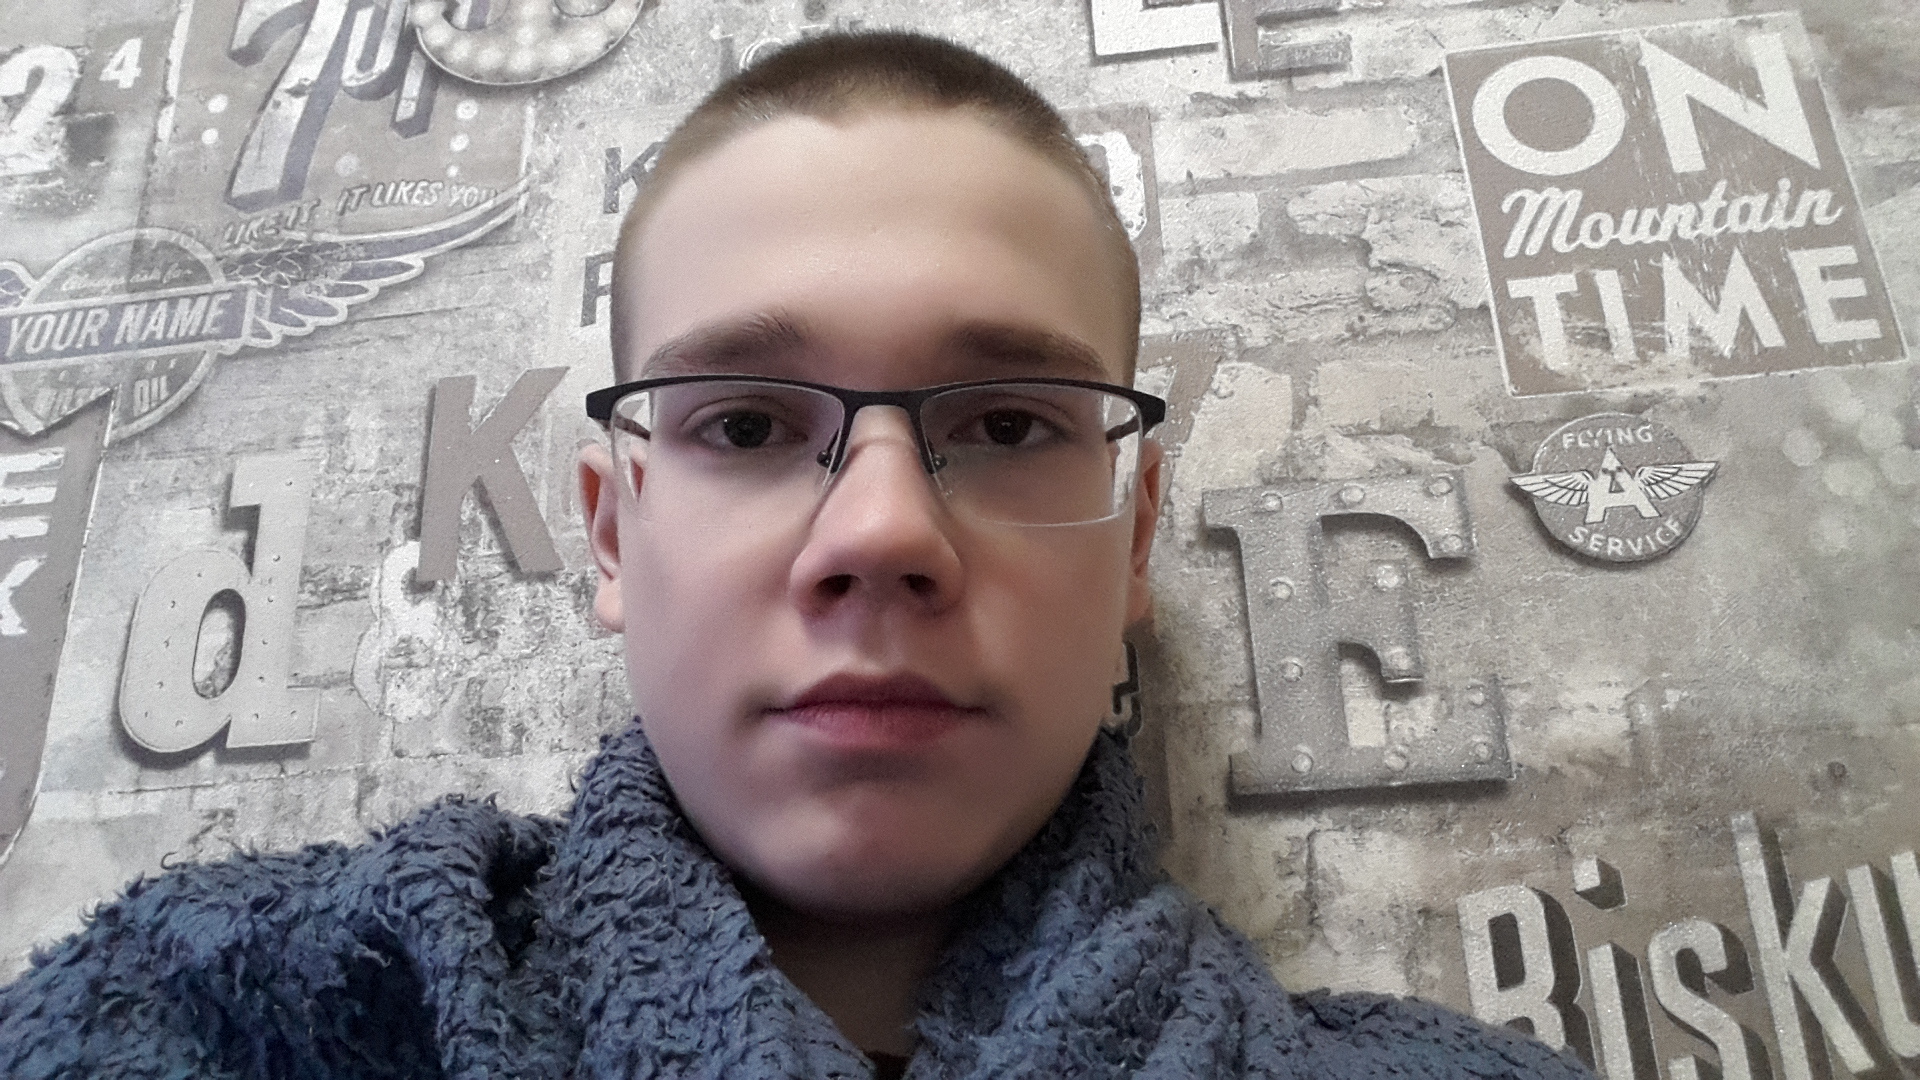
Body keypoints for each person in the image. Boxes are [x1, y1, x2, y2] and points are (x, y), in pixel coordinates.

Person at [0, 30, 1593, 1080]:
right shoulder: (226, 1014)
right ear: (612, 531)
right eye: (750, 425)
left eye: (1010, 423)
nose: (883, 532)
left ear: (1133, 541)